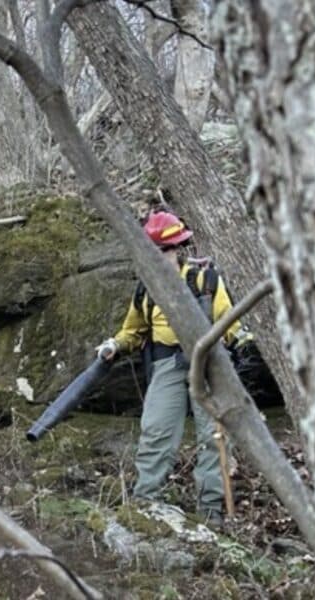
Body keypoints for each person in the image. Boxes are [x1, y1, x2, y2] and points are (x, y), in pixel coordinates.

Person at [95, 211, 253, 527]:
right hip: (168, 364)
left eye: (170, 249)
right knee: (155, 432)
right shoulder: (146, 289)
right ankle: (144, 505)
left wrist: (240, 344)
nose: (165, 256)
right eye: (159, 251)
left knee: (215, 438)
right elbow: (133, 330)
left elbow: (229, 319)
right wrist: (114, 344)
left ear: (178, 249)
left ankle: (211, 513)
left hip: (210, 364)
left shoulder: (205, 280)